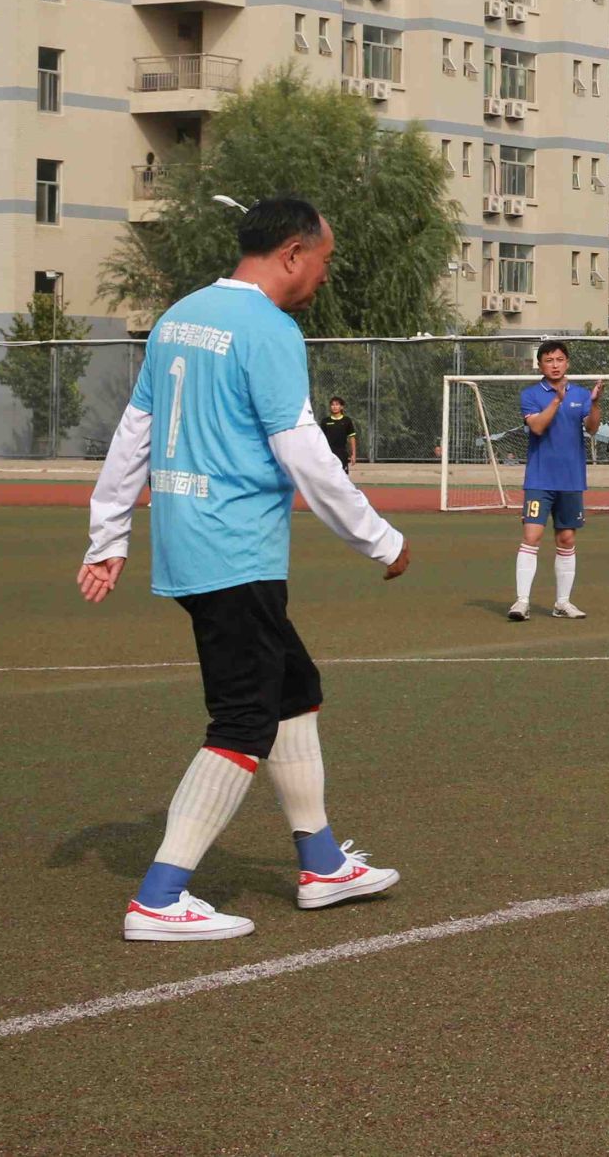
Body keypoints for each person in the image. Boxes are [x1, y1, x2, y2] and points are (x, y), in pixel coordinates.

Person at [79, 196, 410, 942]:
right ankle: (160, 897)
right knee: (242, 719)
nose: (324, 276)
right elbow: (304, 451)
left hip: (193, 543)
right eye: (323, 261)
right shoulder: (269, 329)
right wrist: (379, 538)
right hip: (235, 550)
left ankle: (322, 864)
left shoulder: (180, 316)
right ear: (292, 252)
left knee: (294, 689)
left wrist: (109, 536)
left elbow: (133, 434)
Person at [509, 340, 603, 621]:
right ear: (540, 365)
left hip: (571, 479)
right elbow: (537, 427)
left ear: (567, 363)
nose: (555, 365)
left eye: (560, 359)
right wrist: (557, 401)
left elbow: (592, 428)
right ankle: (522, 602)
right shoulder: (530, 395)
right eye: (549, 360)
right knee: (532, 536)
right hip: (539, 478)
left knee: (566, 538)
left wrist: (594, 403)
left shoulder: (582, 394)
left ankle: (562, 603)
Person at [319, 396, 357, 475]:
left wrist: (353, 454)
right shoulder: (325, 421)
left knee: (343, 476)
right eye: (332, 405)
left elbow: (352, 437)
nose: (334, 407)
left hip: (342, 454)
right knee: (329, 476)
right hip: (328, 453)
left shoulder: (347, 420)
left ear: (341, 407)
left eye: (337, 404)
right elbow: (320, 439)